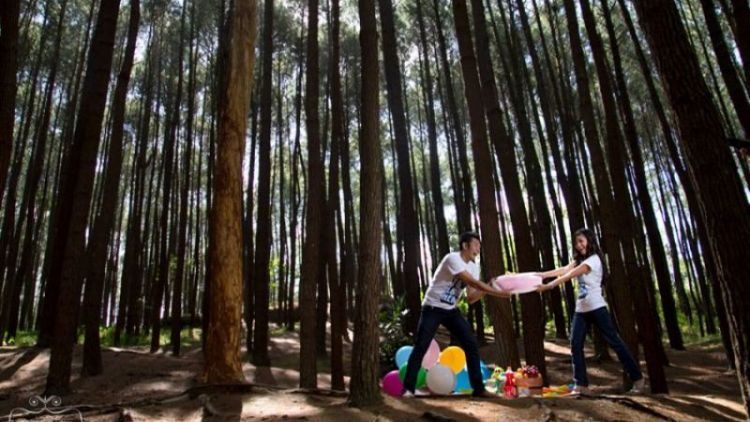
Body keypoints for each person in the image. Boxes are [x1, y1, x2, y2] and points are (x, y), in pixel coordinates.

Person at [535, 228, 645, 395]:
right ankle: (581, 385)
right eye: (576, 242)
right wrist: (542, 275)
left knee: (615, 342)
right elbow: (564, 269)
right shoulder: (580, 259)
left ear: (590, 241)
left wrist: (549, 285)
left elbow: (571, 274)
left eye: (582, 241)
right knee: (575, 344)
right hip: (581, 310)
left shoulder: (593, 260)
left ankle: (638, 379)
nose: (579, 245)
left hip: (597, 307)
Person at [402, 231, 510, 398]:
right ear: (465, 246)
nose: (478, 249)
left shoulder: (474, 266)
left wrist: (488, 287)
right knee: (421, 345)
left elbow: (471, 297)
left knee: (471, 344)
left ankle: (478, 389)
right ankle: (408, 389)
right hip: (432, 307)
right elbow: (472, 282)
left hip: (451, 310)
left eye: (479, 246)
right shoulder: (452, 259)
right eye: (475, 245)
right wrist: (498, 292)